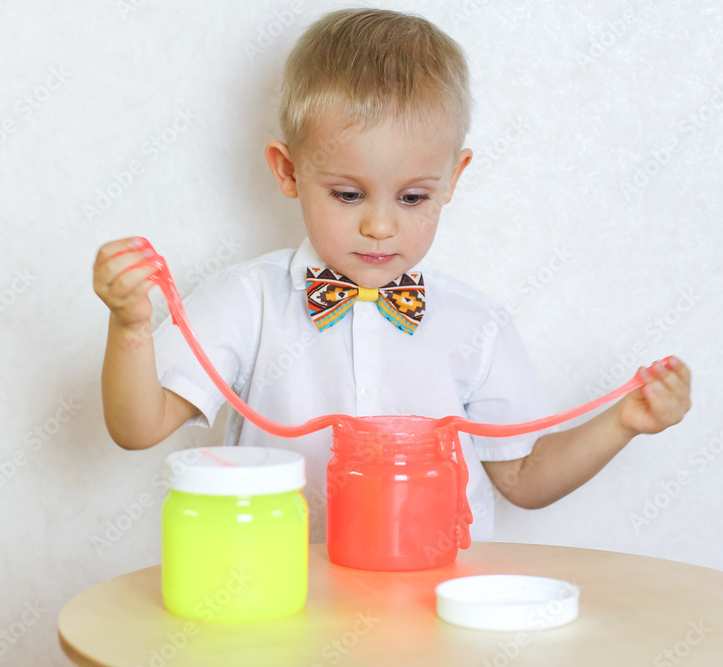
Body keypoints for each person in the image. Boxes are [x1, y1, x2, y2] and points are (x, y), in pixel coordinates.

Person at [92, 8, 691, 542]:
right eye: (348, 194)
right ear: (288, 171)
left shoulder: (477, 324)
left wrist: (623, 422)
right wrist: (130, 328)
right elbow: (138, 427)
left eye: (411, 198)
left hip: (436, 605)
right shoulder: (247, 302)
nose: (380, 226)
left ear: (452, 179)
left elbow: (525, 478)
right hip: (286, 599)